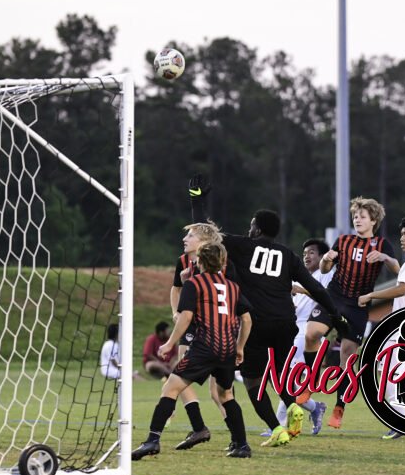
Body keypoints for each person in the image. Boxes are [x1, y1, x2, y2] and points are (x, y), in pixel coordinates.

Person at [189, 175, 348, 447]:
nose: (249, 229)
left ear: (256, 228)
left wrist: (197, 199)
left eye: (252, 225)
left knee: (252, 381)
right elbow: (316, 288)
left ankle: (277, 428)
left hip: (257, 322)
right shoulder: (288, 255)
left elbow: (206, 234)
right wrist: (336, 315)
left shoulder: (243, 246)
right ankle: (294, 405)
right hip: (286, 323)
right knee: (277, 374)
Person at [131, 242, 254, 460]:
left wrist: (169, 343)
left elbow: (186, 316)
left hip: (204, 347)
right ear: (223, 262)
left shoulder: (194, 284)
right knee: (226, 394)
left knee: (170, 388)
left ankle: (152, 440)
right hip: (227, 349)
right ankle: (242, 445)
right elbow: (246, 319)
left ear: (199, 261)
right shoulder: (232, 287)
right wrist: (240, 347)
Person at [303, 197, 399, 430]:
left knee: (348, 357)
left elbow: (397, 268)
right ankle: (312, 380)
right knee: (311, 334)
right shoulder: (343, 240)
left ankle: (339, 408)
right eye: (355, 216)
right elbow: (326, 268)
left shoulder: (381, 244)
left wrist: (385, 258)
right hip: (334, 296)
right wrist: (326, 259)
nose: (357, 220)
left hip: (358, 304)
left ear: (373, 220)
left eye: (362, 216)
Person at [358, 215, 405, 439]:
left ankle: (401, 421)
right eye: (401, 234)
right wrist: (385, 257)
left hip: (404, 326)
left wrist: (371, 294)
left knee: (390, 372)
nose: (402, 238)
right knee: (394, 371)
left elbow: (401, 289)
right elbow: (402, 280)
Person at [168, 221, 234, 450]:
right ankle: (199, 427)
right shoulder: (183, 262)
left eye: (190, 235)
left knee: (219, 392)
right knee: (179, 375)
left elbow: (230, 296)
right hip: (192, 327)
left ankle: (236, 435)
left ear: (203, 241)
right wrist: (177, 312)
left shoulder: (223, 264)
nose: (185, 239)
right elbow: (175, 289)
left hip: (216, 330)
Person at [273, 238, 333, 436]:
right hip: (294, 330)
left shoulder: (326, 275)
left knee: (288, 378)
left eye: (312, 252)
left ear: (323, 256)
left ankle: (280, 424)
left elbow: (325, 296)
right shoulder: (300, 277)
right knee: (287, 379)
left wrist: (301, 290)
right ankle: (315, 407)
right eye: (305, 252)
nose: (306, 256)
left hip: (309, 331)